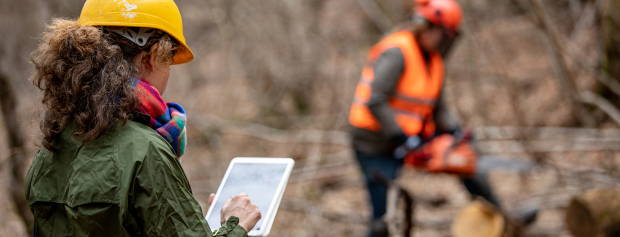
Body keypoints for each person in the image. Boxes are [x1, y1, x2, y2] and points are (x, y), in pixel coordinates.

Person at [25, 0, 260, 236]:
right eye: (168, 61)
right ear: (153, 56)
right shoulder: (146, 151)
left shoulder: (51, 146)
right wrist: (235, 224)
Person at [349, 0, 501, 236]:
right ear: (429, 28)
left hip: (412, 135)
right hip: (375, 143)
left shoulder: (435, 62)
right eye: (445, 35)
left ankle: (498, 214)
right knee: (384, 215)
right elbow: (376, 100)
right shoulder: (397, 52)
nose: (447, 41)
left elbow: (437, 108)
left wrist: (454, 132)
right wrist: (406, 139)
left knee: (465, 157)